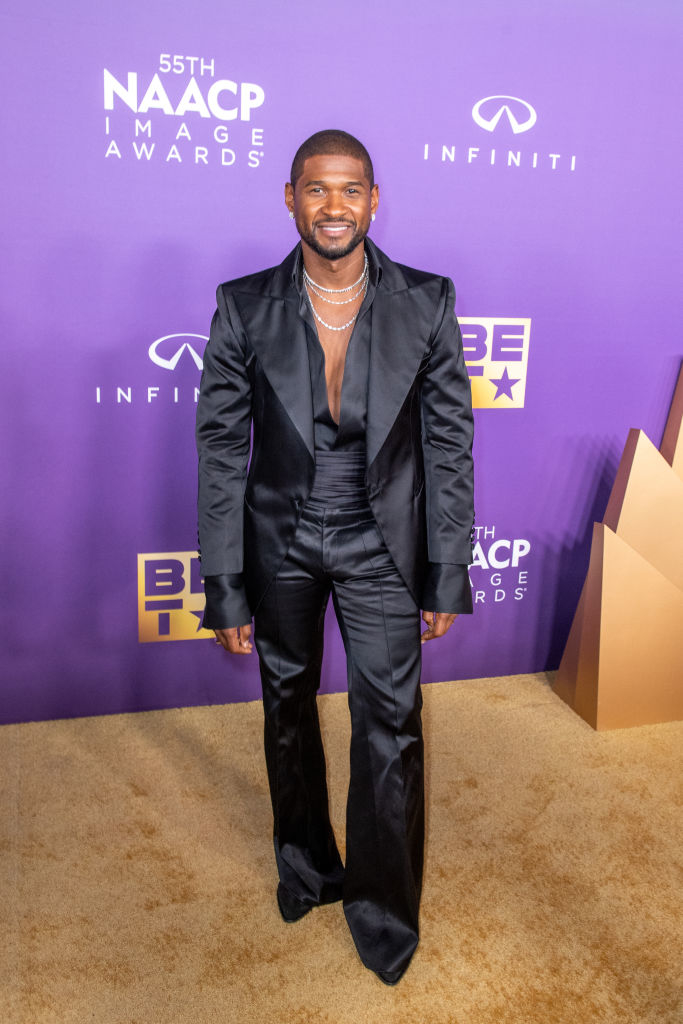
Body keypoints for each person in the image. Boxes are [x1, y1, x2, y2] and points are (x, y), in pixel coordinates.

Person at [196, 129, 474, 985]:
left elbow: (448, 445)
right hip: (278, 538)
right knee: (286, 710)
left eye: (349, 189)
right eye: (315, 189)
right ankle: (308, 866)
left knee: (389, 728)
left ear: (373, 200)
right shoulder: (243, 304)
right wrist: (225, 584)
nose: (333, 206)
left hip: (381, 542)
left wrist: (444, 570)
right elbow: (218, 449)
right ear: (289, 198)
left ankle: (383, 909)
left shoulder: (426, 301)